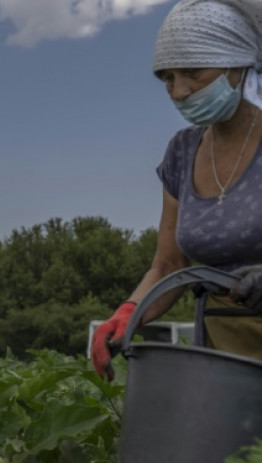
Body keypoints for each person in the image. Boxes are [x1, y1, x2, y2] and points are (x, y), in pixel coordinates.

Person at [92, 0, 262, 380]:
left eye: (192, 72)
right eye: (167, 77)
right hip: (223, 353)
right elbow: (169, 265)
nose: (178, 91)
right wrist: (127, 314)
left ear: (237, 64)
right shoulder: (183, 152)